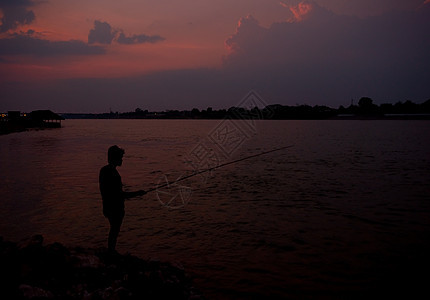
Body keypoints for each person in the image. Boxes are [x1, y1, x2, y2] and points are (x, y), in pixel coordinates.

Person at [99, 145, 146, 253]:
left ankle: (111, 251)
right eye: (120, 157)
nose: (122, 160)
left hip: (107, 206)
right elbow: (119, 195)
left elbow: (106, 191)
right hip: (115, 208)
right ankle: (111, 252)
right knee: (114, 231)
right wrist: (137, 193)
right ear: (115, 158)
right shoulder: (113, 174)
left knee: (113, 230)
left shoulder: (104, 170)